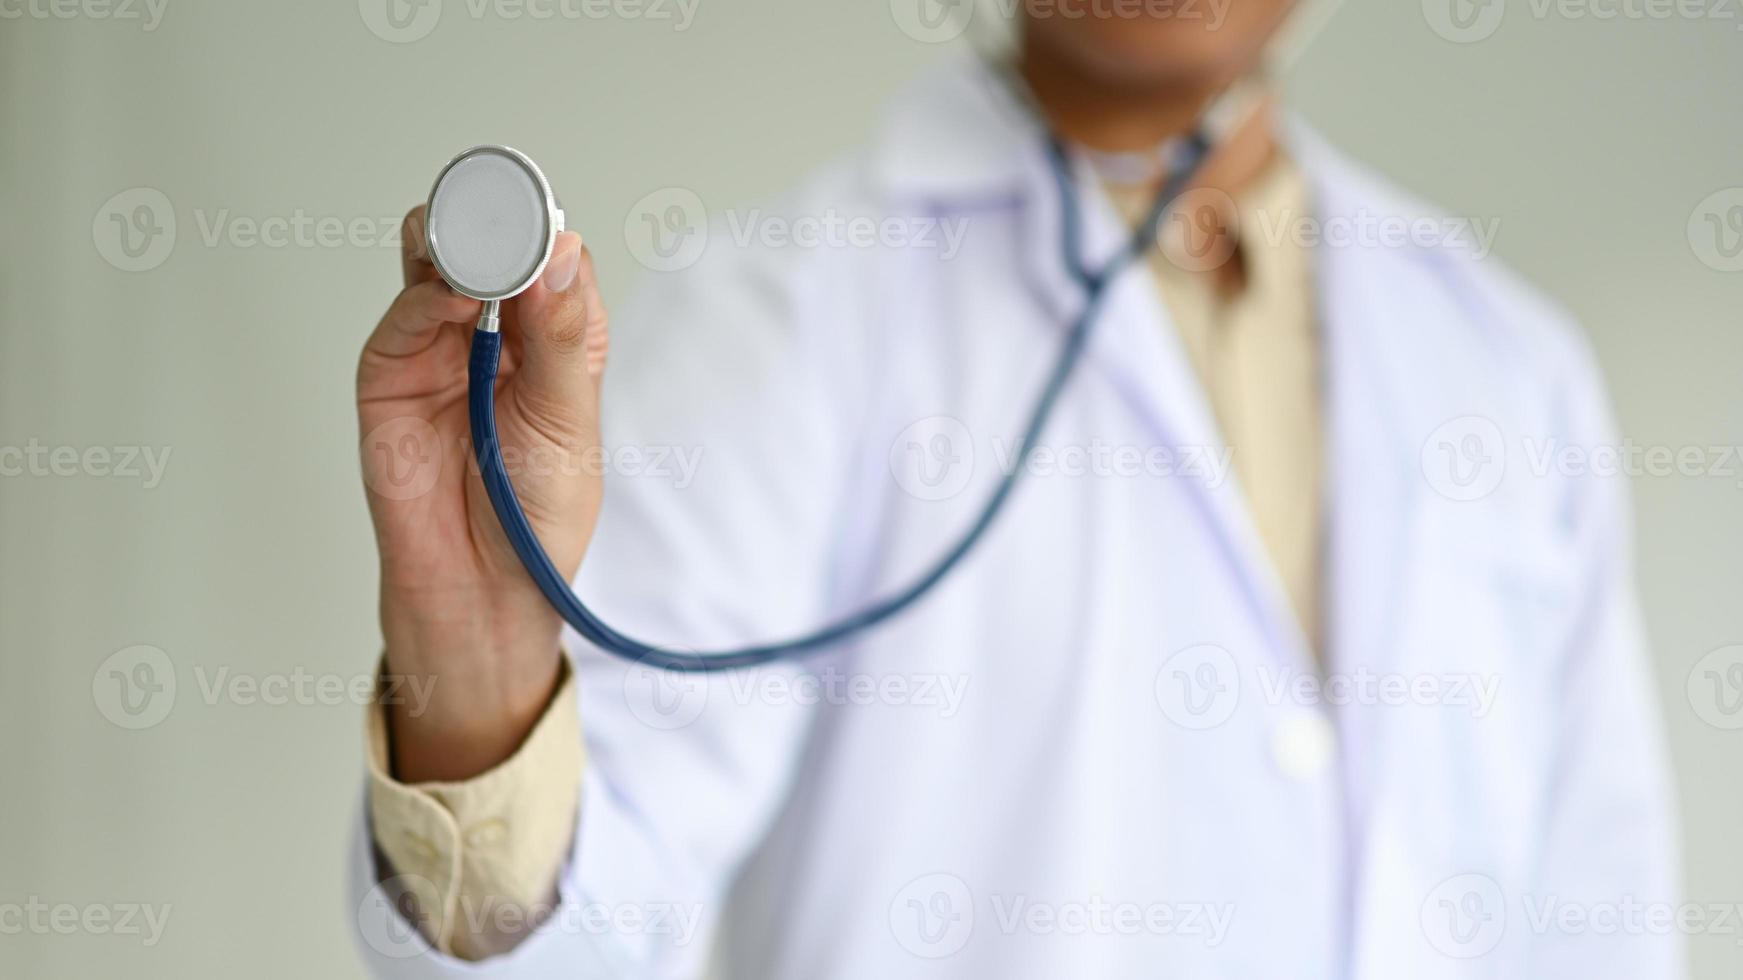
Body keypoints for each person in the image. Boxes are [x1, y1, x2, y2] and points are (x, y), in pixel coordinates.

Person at [351, 2, 1681, 976]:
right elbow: (582, 933)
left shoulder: (1507, 366)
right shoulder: (782, 316)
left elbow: (1604, 923)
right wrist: (477, 687)